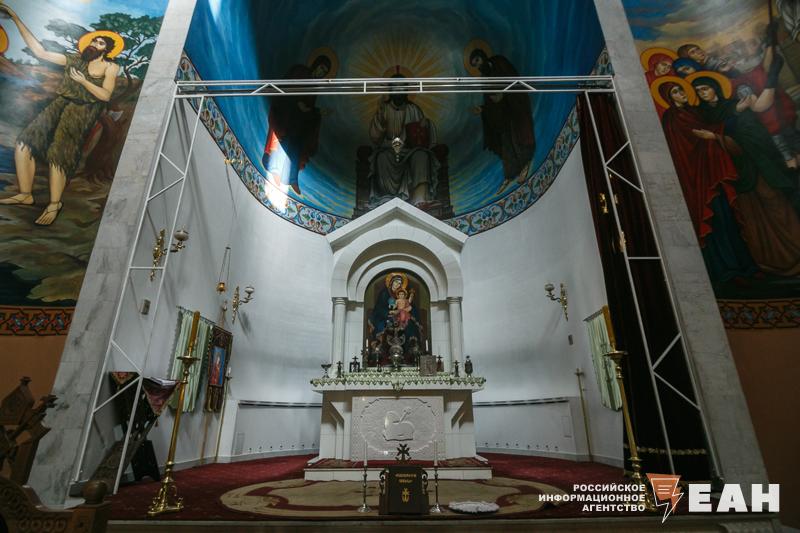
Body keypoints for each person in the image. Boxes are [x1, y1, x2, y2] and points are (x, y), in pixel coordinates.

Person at [0, 4, 120, 225]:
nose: (95, 44)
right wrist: (16, 18)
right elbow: (41, 52)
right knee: (24, 143)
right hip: (60, 103)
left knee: (59, 155)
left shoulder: (110, 68)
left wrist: (83, 82)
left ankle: (54, 204)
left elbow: (104, 95)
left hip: (82, 110)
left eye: (100, 43)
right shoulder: (74, 59)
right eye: (94, 40)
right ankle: (25, 194)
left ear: (107, 50)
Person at [691, 75, 800, 276]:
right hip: (734, 175)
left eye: (705, 88)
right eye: (698, 91)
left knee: (775, 204)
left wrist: (718, 136)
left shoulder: (735, 106)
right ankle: (770, 262)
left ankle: (795, 252)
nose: (702, 93)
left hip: (755, 166)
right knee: (751, 218)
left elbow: (754, 133)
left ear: (715, 88)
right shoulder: (703, 115)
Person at [656, 79, 759, 285]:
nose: (681, 93)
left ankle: (747, 267)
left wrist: (726, 121)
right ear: (668, 97)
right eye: (675, 92)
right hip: (698, 178)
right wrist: (728, 120)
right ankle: (728, 270)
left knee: (728, 220)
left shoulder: (693, 111)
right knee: (715, 222)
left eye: (681, 89)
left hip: (713, 172)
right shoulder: (672, 117)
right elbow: (692, 140)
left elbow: (709, 129)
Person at [261, 55, 332, 195]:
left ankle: (292, 179)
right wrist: (297, 101)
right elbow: (285, 87)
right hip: (285, 113)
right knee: (285, 139)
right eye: (321, 68)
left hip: (297, 121)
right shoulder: (300, 71)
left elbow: (308, 108)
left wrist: (317, 112)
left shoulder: (315, 88)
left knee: (297, 144)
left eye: (324, 72)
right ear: (316, 64)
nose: (321, 72)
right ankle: (274, 169)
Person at [468, 47, 536, 194]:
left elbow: (513, 78)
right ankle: (510, 175)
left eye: (477, 60)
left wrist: (503, 93)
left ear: (483, 55)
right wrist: (483, 109)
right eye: (475, 65)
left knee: (517, 136)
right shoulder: (484, 79)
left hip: (514, 107)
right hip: (501, 115)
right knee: (506, 143)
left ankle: (525, 163)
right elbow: (489, 100)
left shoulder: (499, 62)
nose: (478, 65)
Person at [368, 72, 439, 206]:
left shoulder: (413, 109)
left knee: (421, 156)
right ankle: (387, 198)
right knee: (382, 158)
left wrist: (426, 124)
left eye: (402, 87)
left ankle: (419, 198)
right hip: (389, 148)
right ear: (390, 91)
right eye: (395, 87)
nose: (399, 91)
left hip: (409, 149)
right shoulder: (384, 109)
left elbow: (421, 133)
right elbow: (375, 137)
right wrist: (380, 118)